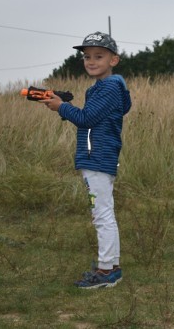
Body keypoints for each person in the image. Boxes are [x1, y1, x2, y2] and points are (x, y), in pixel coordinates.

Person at [42, 31, 132, 288]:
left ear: (113, 60)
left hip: (97, 157)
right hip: (100, 156)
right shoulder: (105, 88)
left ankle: (106, 272)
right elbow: (94, 117)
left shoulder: (109, 87)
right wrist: (63, 107)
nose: (91, 61)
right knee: (105, 212)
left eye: (99, 56)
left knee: (101, 214)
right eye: (87, 57)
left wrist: (61, 106)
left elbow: (85, 119)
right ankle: (111, 266)